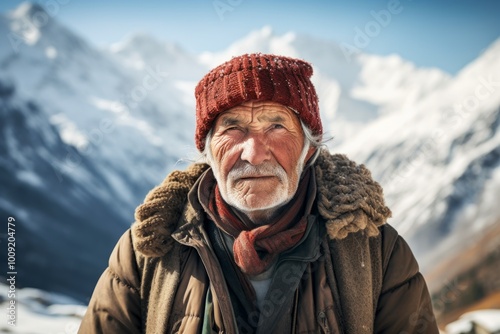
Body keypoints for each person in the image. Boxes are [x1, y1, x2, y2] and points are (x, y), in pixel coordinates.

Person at [79, 53, 439, 333]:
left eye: (277, 126)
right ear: (207, 152)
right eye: (232, 129)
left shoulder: (376, 250)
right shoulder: (148, 249)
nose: (253, 153)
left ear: (309, 150)